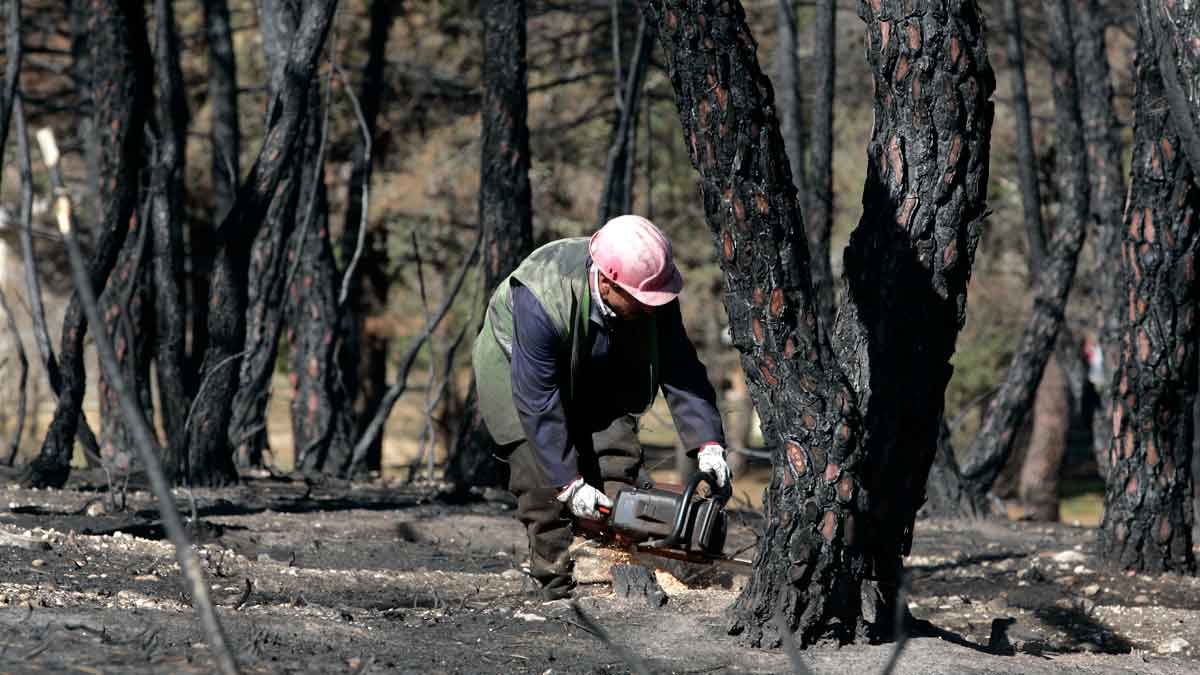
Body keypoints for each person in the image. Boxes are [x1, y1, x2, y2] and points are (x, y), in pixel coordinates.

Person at [472, 215, 732, 600]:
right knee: (542, 484)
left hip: (596, 360)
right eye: (643, 302)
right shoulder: (542, 296)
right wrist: (569, 484)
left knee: (617, 466)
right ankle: (557, 588)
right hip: (518, 372)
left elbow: (680, 367)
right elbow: (539, 400)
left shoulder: (648, 293)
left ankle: (614, 570)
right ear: (608, 283)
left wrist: (708, 444)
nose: (651, 309)